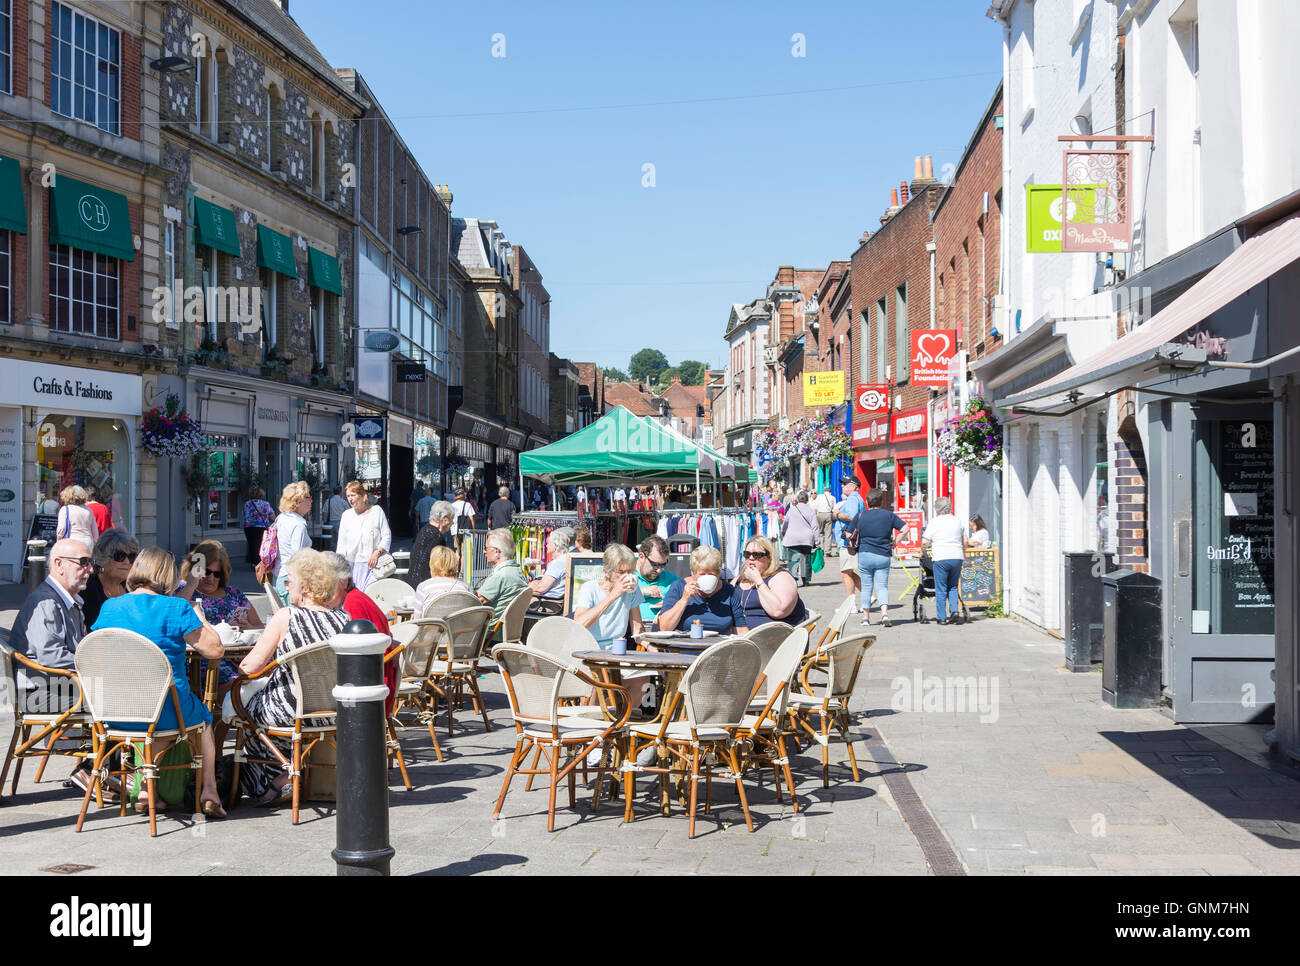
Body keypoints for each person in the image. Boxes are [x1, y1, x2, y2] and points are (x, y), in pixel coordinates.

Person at [92, 547, 226, 817]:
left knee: (157, 721)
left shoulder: (110, 606)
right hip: (166, 709)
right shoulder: (176, 607)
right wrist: (197, 614)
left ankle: (145, 789)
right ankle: (209, 791)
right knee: (203, 720)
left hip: (117, 711)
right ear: (168, 575)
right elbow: (215, 650)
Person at [232, 549, 351, 806]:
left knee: (248, 710)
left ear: (305, 587)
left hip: (292, 711)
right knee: (266, 704)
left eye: (289, 582)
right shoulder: (344, 618)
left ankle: (276, 780)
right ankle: (287, 773)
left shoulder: (286, 616)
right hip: (333, 710)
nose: (286, 587)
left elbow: (250, 668)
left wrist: (239, 670)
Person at [8, 538, 91, 715]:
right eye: (83, 562)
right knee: (116, 698)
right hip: (38, 692)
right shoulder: (46, 602)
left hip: (60, 685)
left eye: (91, 563)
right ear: (59, 564)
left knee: (118, 692)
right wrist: (94, 666)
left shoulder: (69, 601)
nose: (89, 569)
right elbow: (51, 656)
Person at [326, 552, 397, 716]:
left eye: (327, 584)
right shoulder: (354, 597)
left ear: (343, 582)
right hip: (374, 679)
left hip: (371, 685)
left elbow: (358, 654)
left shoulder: (353, 604)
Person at [853, 488, 908, 628]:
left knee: (866, 587)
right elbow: (905, 528)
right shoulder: (888, 515)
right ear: (882, 502)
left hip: (865, 554)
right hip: (883, 554)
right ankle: (884, 614)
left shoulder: (860, 516)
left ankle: (865, 618)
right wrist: (896, 541)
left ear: (867, 502)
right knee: (882, 586)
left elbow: (849, 534)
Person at [179, 539, 263, 630]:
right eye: (206, 571)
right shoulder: (183, 589)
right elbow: (170, 613)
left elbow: (259, 626)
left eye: (217, 574)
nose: (210, 578)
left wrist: (249, 628)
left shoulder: (234, 594)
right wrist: (191, 585)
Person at [573, 543, 644, 649]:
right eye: (621, 572)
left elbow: (637, 629)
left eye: (630, 571)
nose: (627, 576)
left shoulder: (632, 589)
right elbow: (579, 624)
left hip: (617, 648)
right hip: (589, 648)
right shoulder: (590, 588)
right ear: (606, 572)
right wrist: (613, 596)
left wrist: (651, 645)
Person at [732, 536, 807, 632]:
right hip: (740, 637)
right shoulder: (739, 579)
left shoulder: (781, 577)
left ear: (769, 558)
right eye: (747, 554)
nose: (751, 558)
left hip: (775, 639)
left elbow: (778, 611)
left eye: (757, 555)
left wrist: (758, 581)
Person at [655, 546, 736, 634]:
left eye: (711, 574)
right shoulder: (679, 587)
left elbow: (740, 630)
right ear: (692, 573)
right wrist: (684, 599)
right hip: (683, 646)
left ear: (719, 573)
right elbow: (663, 627)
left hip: (717, 647)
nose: (706, 577)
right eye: (702, 574)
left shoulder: (728, 591)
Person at [335, 480, 392, 591]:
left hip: (373, 566)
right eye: (348, 496)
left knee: (370, 596)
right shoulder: (347, 515)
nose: (350, 499)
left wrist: (377, 552)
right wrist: (340, 565)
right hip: (351, 565)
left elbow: (386, 535)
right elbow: (341, 542)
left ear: (363, 496)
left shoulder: (377, 512)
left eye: (353, 495)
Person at [81, 529, 138, 629]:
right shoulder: (87, 590)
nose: (127, 561)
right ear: (103, 557)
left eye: (131, 557)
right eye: (119, 556)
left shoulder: (133, 588)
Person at [923, 497, 967, 625]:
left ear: (937, 509)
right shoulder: (957, 521)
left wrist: (926, 547)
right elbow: (964, 541)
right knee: (953, 586)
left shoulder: (934, 522)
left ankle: (941, 617)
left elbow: (925, 541)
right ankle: (954, 611)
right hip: (957, 556)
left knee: (941, 588)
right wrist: (962, 551)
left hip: (941, 557)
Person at [475, 528, 529, 629]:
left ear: (496, 551)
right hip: (509, 629)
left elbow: (475, 602)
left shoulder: (500, 575)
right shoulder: (518, 571)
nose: (484, 552)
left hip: (489, 632)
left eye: (486, 548)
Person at [271, 481, 313, 601]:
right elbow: (297, 558)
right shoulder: (298, 524)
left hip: (278, 575)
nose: (311, 500)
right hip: (291, 580)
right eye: (308, 497)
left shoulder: (281, 518)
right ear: (298, 501)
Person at [407, 500, 456, 587]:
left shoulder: (423, 530)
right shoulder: (437, 537)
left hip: (412, 584)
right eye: (452, 519)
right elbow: (440, 567)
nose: (452, 523)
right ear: (444, 519)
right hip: (426, 587)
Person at [835, 476, 866, 611]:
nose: (842, 486)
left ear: (853, 486)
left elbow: (852, 517)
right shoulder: (856, 498)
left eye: (845, 484)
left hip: (848, 541)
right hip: (851, 540)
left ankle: (851, 606)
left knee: (846, 573)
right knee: (849, 571)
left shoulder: (853, 499)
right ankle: (867, 595)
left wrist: (837, 514)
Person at [415, 545, 474, 612]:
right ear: (454, 563)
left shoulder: (423, 587)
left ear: (432, 564)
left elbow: (418, 619)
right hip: (456, 622)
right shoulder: (464, 588)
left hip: (432, 622)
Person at [634, 535, 677, 624]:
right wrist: (641, 592)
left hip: (664, 631)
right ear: (641, 556)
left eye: (663, 565)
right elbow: (611, 598)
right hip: (632, 631)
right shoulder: (625, 573)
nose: (659, 570)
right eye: (654, 564)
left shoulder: (672, 579)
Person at [528, 528, 573, 612]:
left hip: (550, 602)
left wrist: (529, 587)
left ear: (555, 546)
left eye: (549, 543)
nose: (546, 545)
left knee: (518, 606)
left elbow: (540, 589)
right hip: (557, 601)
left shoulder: (558, 563)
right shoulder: (567, 559)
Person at [781, 490, 820, 587]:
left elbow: (786, 522)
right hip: (806, 539)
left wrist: (783, 531)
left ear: (798, 499)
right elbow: (815, 527)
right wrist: (817, 541)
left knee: (793, 559)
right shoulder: (810, 511)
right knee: (805, 559)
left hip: (792, 538)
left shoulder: (792, 509)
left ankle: (794, 578)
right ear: (807, 500)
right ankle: (806, 580)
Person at [56, 485, 98, 553]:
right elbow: (95, 532)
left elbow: (61, 529)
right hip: (88, 542)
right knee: (86, 563)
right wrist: (94, 543)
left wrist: (58, 541)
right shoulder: (88, 510)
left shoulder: (65, 509)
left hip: (72, 541)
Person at [243, 486, 275, 565]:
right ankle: (259, 563)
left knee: (252, 544)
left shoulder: (247, 503)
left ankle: (253, 562)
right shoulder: (266, 504)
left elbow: (245, 514)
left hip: (249, 527)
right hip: (261, 527)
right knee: (261, 545)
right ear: (262, 494)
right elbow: (272, 516)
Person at [813, 487, 837, 556]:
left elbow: (815, 507)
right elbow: (834, 508)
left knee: (820, 533)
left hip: (820, 514)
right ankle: (828, 551)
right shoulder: (833, 498)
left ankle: (821, 548)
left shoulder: (819, 497)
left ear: (824, 491)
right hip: (828, 514)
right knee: (828, 534)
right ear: (830, 492)